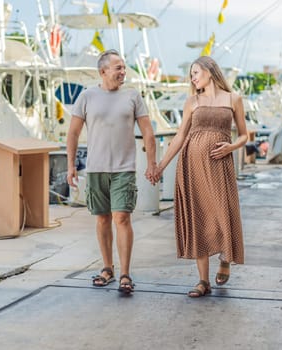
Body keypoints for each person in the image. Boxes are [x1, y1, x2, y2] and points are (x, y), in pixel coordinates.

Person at [150, 56, 247, 297]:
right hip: (191, 165)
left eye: (195, 72)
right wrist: (161, 166)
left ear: (210, 71)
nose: (193, 77)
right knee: (200, 218)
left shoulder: (233, 99)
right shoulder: (192, 101)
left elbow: (245, 135)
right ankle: (203, 281)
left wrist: (230, 147)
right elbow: (181, 136)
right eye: (191, 74)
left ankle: (226, 257)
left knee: (223, 213)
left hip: (220, 165)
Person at [66, 49, 157, 294]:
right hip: (96, 169)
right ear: (103, 71)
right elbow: (73, 133)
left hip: (124, 169)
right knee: (102, 218)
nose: (122, 72)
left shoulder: (133, 96)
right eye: (118, 67)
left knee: (122, 218)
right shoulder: (87, 96)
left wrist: (151, 163)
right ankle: (107, 268)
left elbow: (148, 132)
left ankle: (125, 273)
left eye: (124, 68)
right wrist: (71, 165)